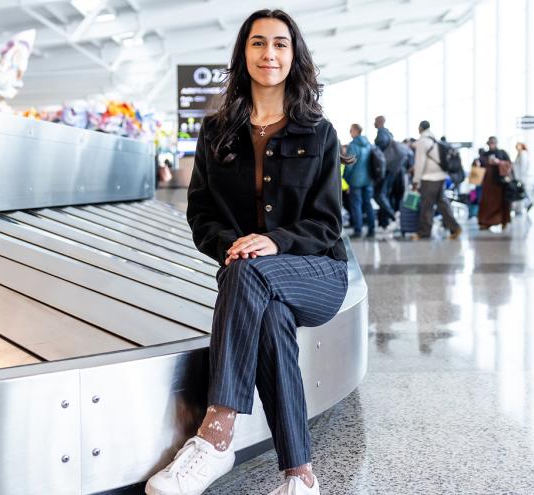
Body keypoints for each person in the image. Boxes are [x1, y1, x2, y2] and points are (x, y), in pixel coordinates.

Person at [146, 10, 348, 495]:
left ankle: (217, 434)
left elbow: (327, 224)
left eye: (280, 44)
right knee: (269, 316)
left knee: (251, 275)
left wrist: (275, 242)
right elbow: (201, 213)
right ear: (243, 54)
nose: (269, 54)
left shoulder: (318, 132)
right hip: (249, 274)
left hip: (317, 271)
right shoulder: (217, 131)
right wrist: (232, 247)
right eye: (258, 44)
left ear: (293, 55)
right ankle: (299, 476)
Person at [411, 120, 462, 240]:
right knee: (442, 204)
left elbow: (420, 163)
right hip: (441, 177)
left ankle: (424, 232)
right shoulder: (435, 141)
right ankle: (455, 227)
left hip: (429, 178)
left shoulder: (422, 142)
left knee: (426, 206)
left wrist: (416, 181)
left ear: (420, 128)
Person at [344, 123, 376, 238]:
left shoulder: (353, 146)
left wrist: (346, 178)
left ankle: (358, 230)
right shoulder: (368, 144)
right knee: (368, 204)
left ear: (356, 131)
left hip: (355, 180)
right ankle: (372, 229)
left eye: (351, 130)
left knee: (356, 205)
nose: (350, 132)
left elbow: (349, 165)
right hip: (368, 179)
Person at [477, 136, 512, 230]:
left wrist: (499, 162)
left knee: (502, 202)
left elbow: (509, 165)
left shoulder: (502, 153)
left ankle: (503, 221)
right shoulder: (484, 154)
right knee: (487, 203)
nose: (492, 144)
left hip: (500, 183)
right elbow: (479, 164)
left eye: (493, 142)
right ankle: (486, 222)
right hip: (488, 184)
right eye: (490, 143)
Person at [373, 115, 397, 231]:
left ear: (379, 122)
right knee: (384, 195)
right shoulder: (389, 133)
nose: (374, 123)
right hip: (390, 169)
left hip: (383, 169)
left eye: (375, 121)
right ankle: (384, 222)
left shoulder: (381, 133)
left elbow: (379, 153)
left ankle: (393, 216)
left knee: (378, 195)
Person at [512, 142, 532, 214]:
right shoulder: (520, 154)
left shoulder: (523, 153)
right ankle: (526, 204)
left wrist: (520, 179)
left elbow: (523, 167)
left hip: (521, 177)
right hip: (519, 177)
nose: (516, 147)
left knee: (522, 192)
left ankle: (528, 203)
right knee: (522, 192)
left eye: (518, 146)